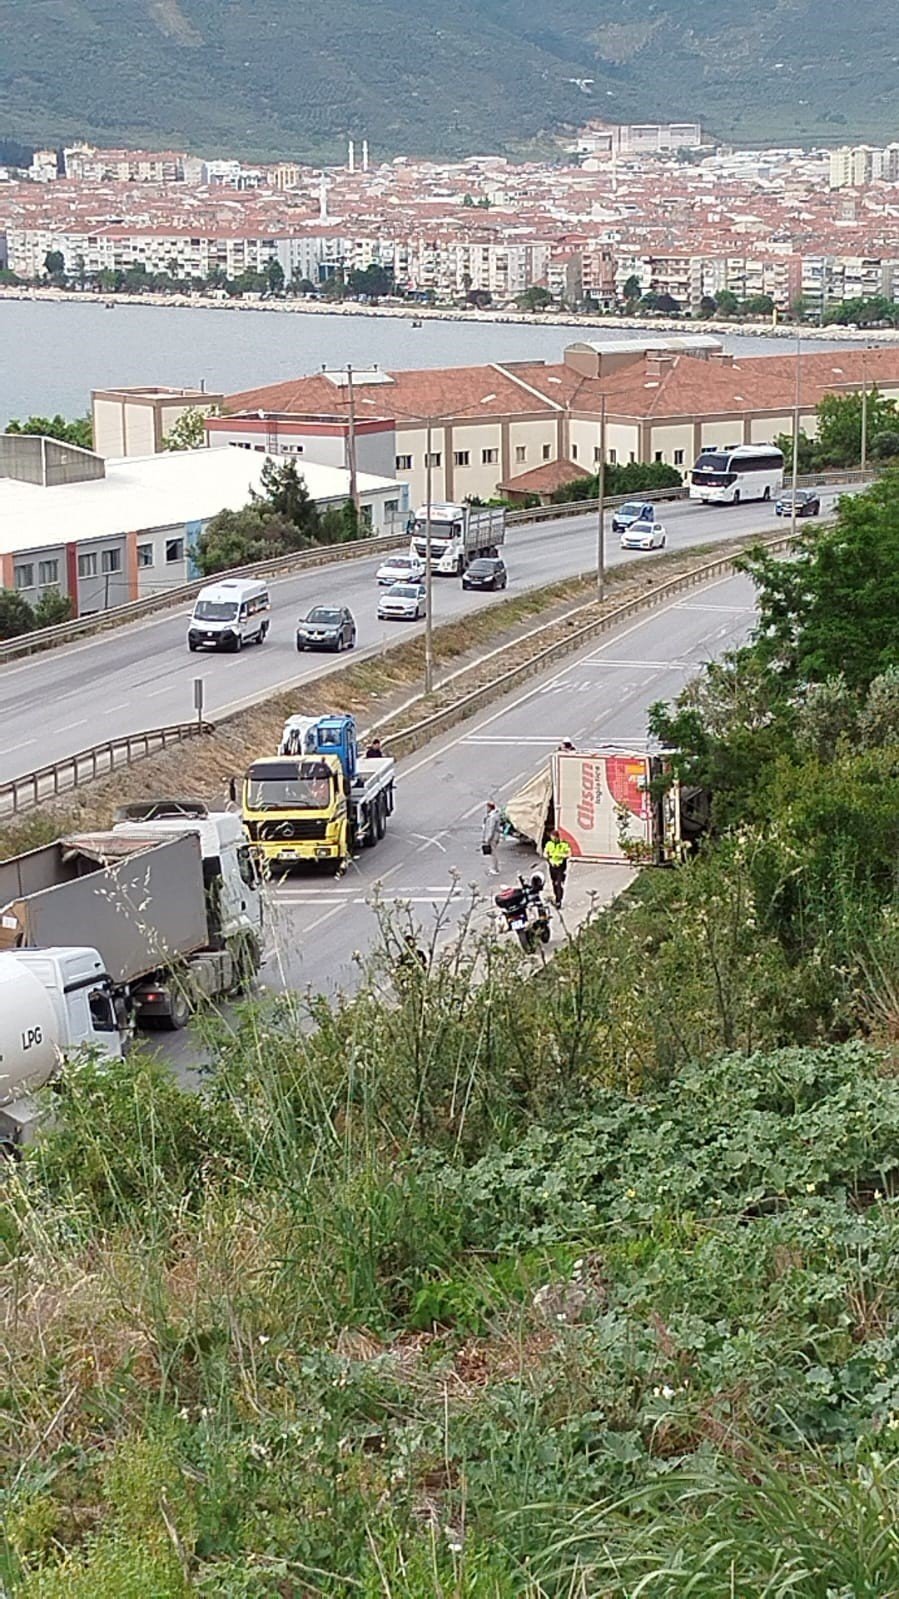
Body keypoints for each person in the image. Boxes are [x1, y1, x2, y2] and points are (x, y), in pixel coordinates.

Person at [543, 828, 572, 909]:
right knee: (553, 883)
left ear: (557, 837)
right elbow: (545, 852)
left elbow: (569, 854)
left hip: (560, 866)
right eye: (552, 837)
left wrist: (562, 856)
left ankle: (559, 900)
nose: (553, 839)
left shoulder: (563, 844)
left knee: (558, 884)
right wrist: (546, 856)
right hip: (552, 865)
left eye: (554, 837)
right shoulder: (549, 844)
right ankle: (556, 897)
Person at [481, 800, 502, 875]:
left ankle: (494, 868)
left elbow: (491, 829)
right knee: (493, 853)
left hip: (493, 838)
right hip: (495, 836)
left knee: (493, 853)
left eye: (487, 807)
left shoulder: (492, 817)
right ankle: (494, 867)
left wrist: (487, 839)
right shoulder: (494, 815)